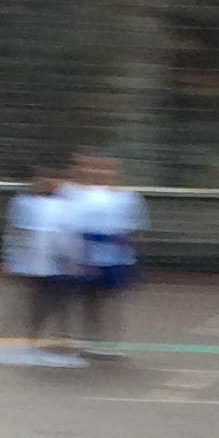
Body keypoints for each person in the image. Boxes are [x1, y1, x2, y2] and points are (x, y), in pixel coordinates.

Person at [0, 166, 80, 368]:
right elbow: (20, 233)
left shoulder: (64, 204)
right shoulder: (25, 203)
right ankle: (26, 343)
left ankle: (56, 345)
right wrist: (14, 259)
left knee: (58, 304)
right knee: (37, 303)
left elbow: (67, 234)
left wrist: (72, 258)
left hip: (56, 264)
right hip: (35, 264)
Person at [66, 153, 148, 361]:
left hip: (115, 256)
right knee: (89, 299)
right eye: (94, 167)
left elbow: (133, 229)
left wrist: (130, 254)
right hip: (86, 254)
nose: (99, 172)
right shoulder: (75, 194)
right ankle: (90, 339)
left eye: (106, 168)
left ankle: (109, 341)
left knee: (111, 300)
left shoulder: (127, 197)